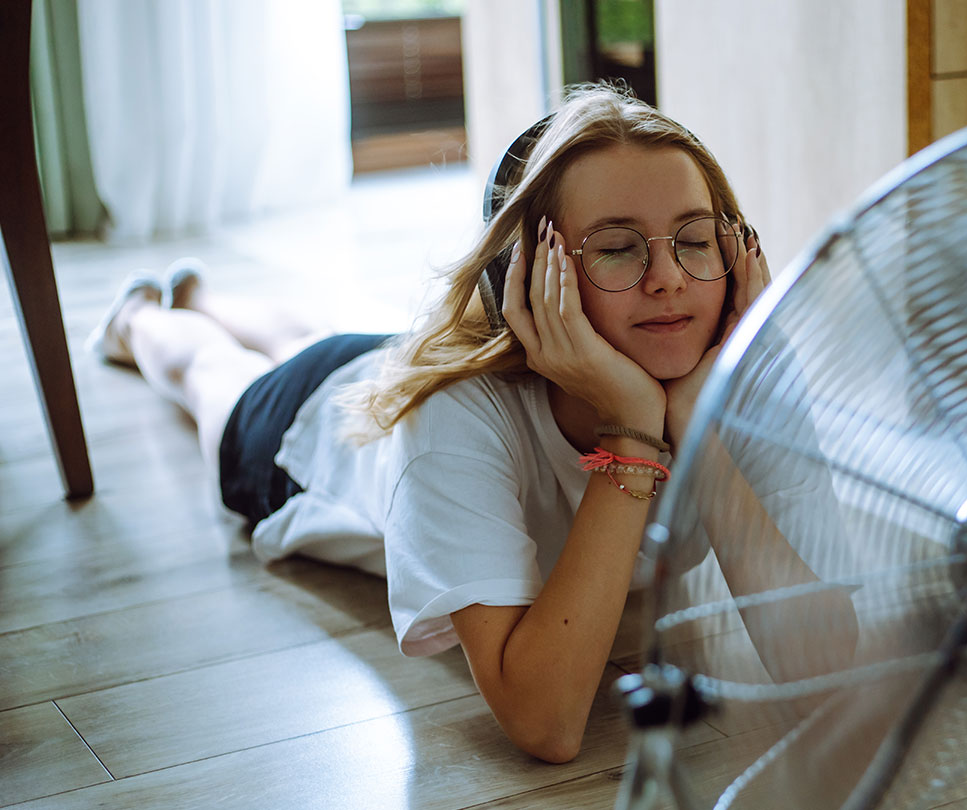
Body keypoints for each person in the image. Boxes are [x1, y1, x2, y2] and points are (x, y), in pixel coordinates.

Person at [91, 83, 789, 764]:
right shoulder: (453, 411)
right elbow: (545, 723)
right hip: (310, 430)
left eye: (695, 240)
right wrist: (632, 432)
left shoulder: (743, 370)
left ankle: (201, 291)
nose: (668, 278)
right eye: (616, 248)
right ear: (527, 278)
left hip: (384, 362)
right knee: (211, 375)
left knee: (321, 333)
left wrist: (706, 419)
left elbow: (836, 654)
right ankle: (142, 319)